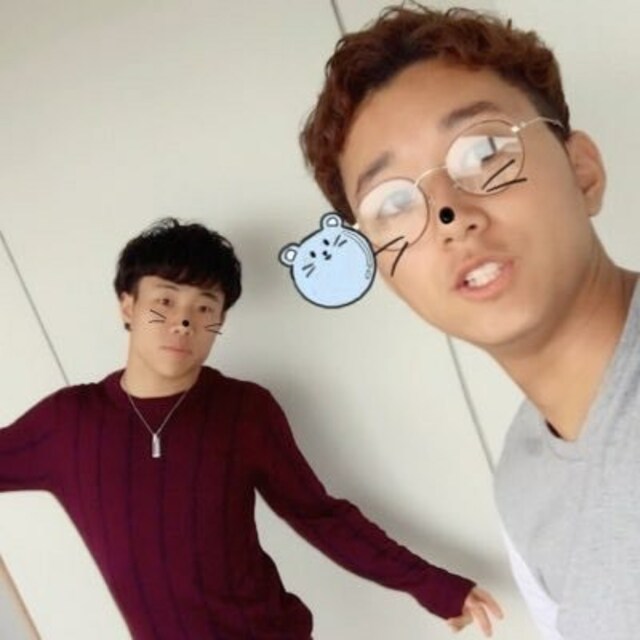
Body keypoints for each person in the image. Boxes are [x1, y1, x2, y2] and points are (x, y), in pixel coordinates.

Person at [300, 4, 638, 640]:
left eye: (483, 151)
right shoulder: (522, 484)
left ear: (583, 172)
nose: (448, 215)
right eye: (393, 203)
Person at [0, 217, 501, 639]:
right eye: (165, 301)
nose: (183, 322)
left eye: (204, 307)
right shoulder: (68, 423)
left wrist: (432, 584)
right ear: (127, 305)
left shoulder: (244, 410)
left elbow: (320, 516)